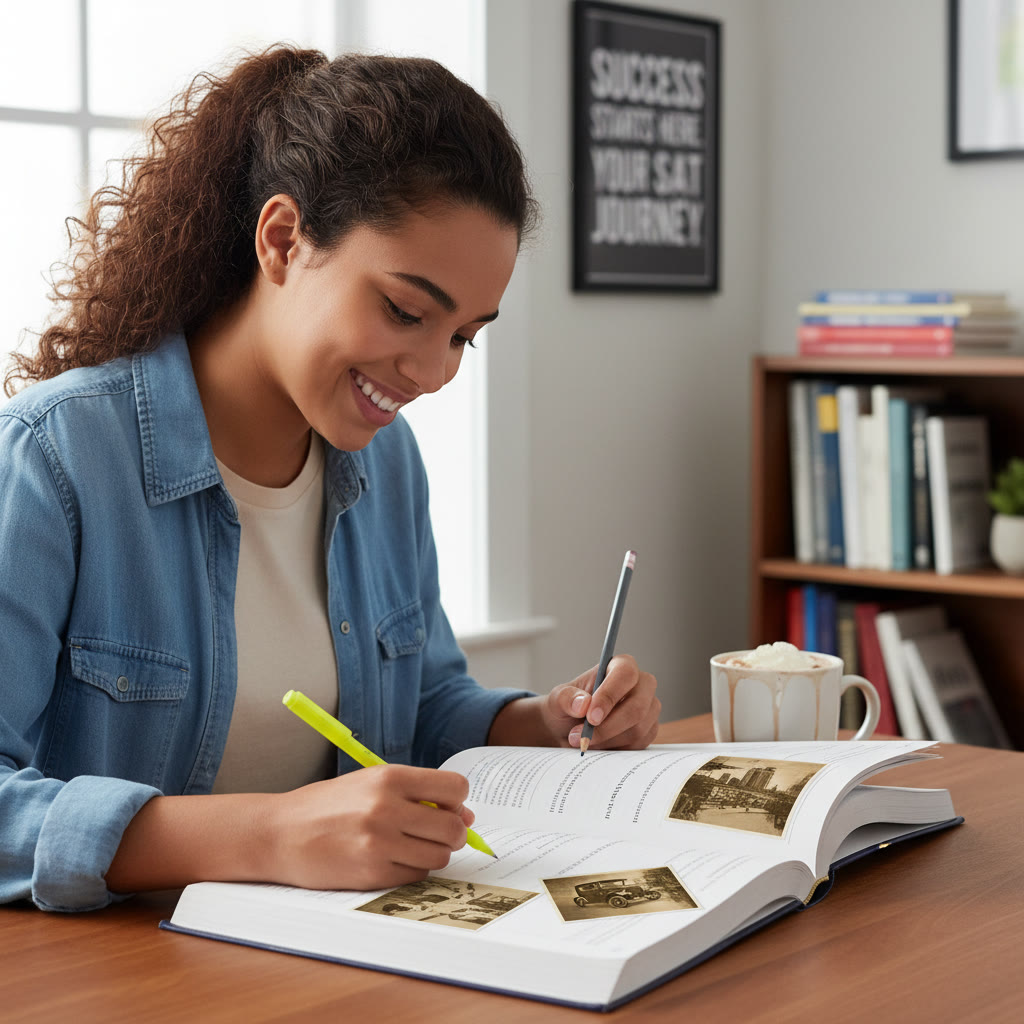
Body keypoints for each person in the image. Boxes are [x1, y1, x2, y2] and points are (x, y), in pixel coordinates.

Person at [0, 46, 660, 913]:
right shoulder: (55, 458)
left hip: (333, 966)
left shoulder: (386, 462)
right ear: (282, 240)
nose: (434, 372)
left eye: (464, 335)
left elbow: (423, 706)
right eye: (405, 310)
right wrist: (273, 835)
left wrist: (547, 721)